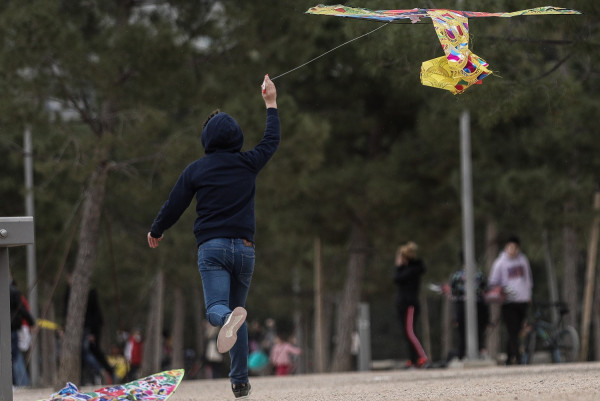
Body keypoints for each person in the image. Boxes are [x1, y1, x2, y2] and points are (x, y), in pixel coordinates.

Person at [147, 74, 279, 399]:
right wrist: (271, 102)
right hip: (245, 249)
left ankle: (228, 321)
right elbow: (271, 140)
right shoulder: (248, 162)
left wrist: (157, 229)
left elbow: (174, 203)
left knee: (217, 309)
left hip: (213, 248)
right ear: (237, 137)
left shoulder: (196, 170)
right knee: (239, 311)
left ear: (206, 140)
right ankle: (240, 382)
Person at [488, 236, 533, 365]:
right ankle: (518, 358)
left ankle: (509, 358)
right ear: (506, 248)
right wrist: (500, 293)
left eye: (515, 248)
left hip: (522, 299)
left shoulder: (523, 260)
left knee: (518, 330)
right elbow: (493, 282)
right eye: (510, 247)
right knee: (512, 330)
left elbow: (528, 279)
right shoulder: (500, 263)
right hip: (508, 302)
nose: (512, 250)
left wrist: (529, 294)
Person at [393, 241, 428, 368]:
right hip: (403, 304)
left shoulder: (411, 270)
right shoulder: (406, 270)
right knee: (406, 333)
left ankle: (421, 356)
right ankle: (412, 359)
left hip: (410, 305)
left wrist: (399, 267)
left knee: (410, 332)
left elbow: (397, 278)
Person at [449, 254, 489, 360]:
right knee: (464, 332)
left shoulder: (478, 275)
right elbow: (454, 294)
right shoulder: (457, 276)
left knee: (477, 331)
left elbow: (484, 291)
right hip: (464, 306)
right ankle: (462, 354)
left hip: (476, 305)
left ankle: (476, 353)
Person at [10, 278, 36, 386]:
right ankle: (23, 383)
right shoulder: (13, 291)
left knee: (15, 356)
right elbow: (22, 309)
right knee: (15, 357)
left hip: (11, 328)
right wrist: (32, 323)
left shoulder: (10, 291)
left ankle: (21, 383)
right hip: (12, 328)